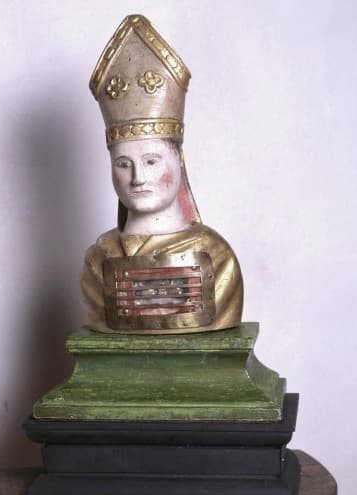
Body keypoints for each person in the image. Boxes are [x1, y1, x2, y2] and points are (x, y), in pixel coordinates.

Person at [81, 15, 243, 333]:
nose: (138, 177)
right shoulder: (99, 261)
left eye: (152, 161)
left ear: (178, 160)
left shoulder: (217, 257)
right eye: (123, 163)